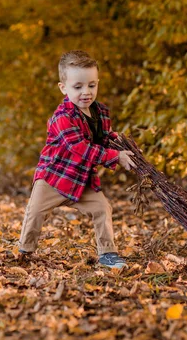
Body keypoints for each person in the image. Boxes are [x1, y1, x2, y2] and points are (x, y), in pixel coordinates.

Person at [18, 50, 135, 269]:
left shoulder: (100, 112)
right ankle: (25, 251)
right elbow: (80, 147)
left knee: (103, 208)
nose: (86, 92)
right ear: (64, 88)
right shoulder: (62, 117)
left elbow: (99, 139)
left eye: (92, 85)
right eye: (78, 87)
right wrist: (115, 157)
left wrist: (115, 141)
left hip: (81, 179)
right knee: (35, 212)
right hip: (54, 177)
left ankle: (108, 253)